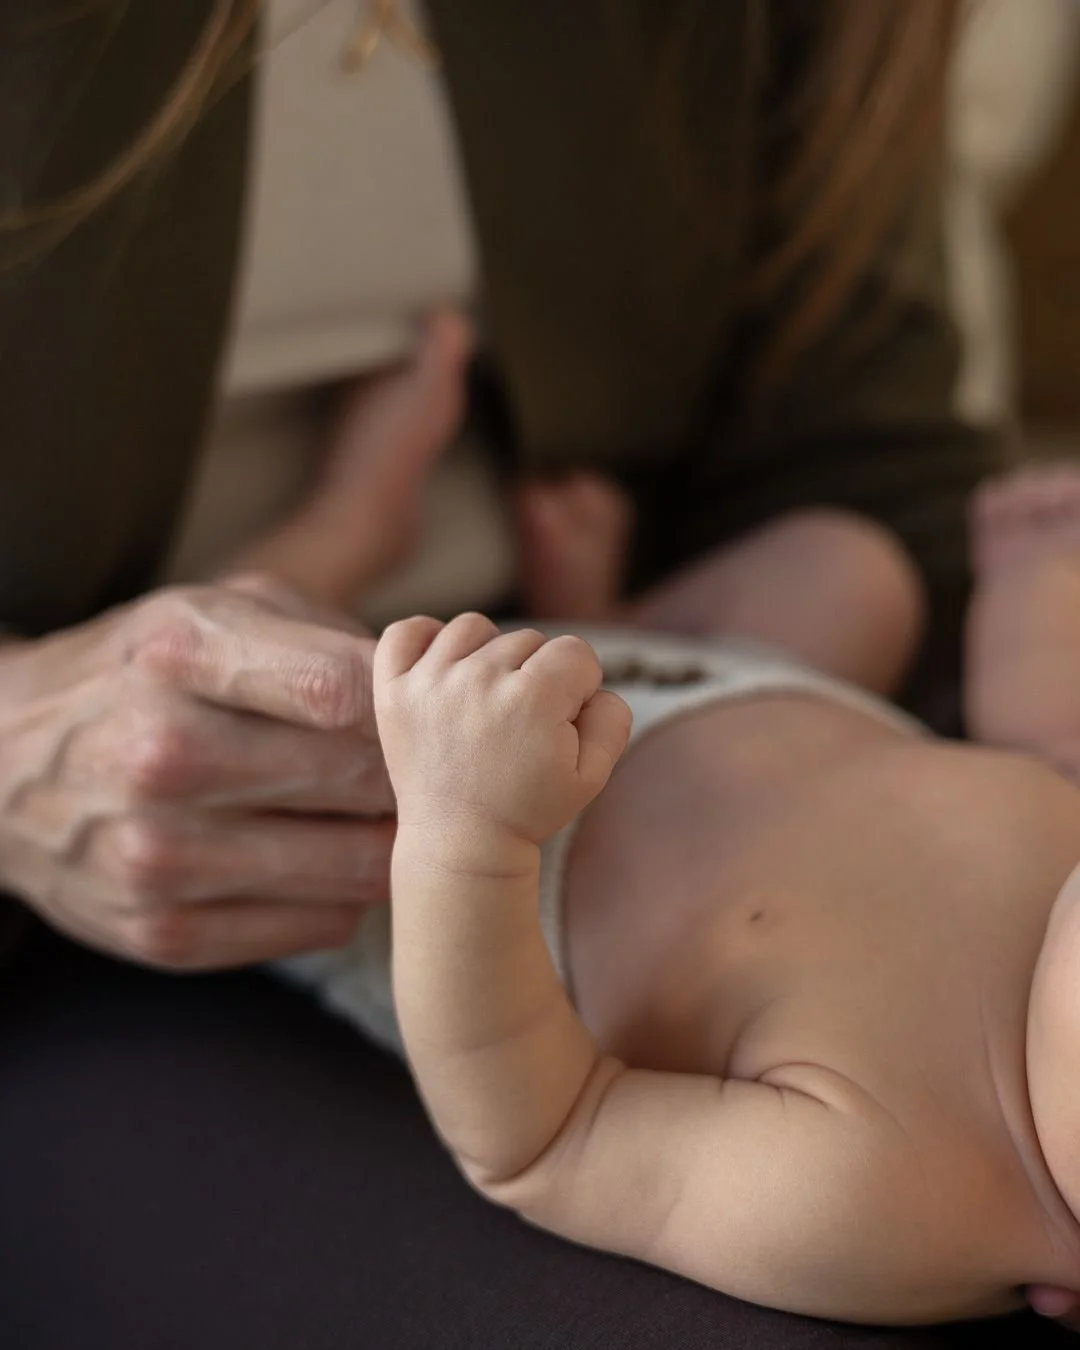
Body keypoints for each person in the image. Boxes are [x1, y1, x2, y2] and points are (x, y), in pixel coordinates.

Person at [0, 3, 1059, 1348]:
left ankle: (343, 538)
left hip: (447, 837)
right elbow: (1039, 722)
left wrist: (469, 841)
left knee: (316, 683)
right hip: (699, 676)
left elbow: (551, 1135)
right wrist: (1045, 585)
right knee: (857, 573)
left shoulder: (887, 1192)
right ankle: (579, 609)